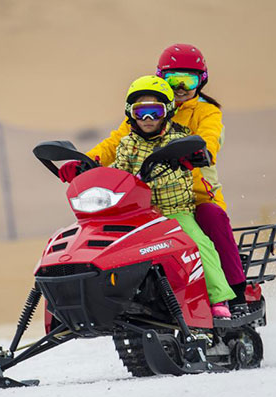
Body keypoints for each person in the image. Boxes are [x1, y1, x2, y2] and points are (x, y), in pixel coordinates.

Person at [59, 44, 249, 316]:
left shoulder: (206, 111)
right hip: (145, 198)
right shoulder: (149, 109)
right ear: (162, 80)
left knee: (211, 221)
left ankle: (233, 293)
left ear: (202, 81)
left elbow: (209, 137)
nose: (181, 87)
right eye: (174, 80)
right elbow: (115, 143)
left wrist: (197, 152)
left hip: (194, 197)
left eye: (189, 80)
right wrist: (84, 162)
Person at [110, 75, 235, 317]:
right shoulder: (127, 144)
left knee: (199, 244)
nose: (148, 119)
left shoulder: (178, 139)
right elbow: (118, 168)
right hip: (140, 215)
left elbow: (197, 149)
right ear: (130, 113)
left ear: (167, 111)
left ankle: (219, 298)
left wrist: (191, 155)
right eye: (141, 112)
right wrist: (99, 173)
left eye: (155, 112)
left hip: (175, 212)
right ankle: (124, 301)